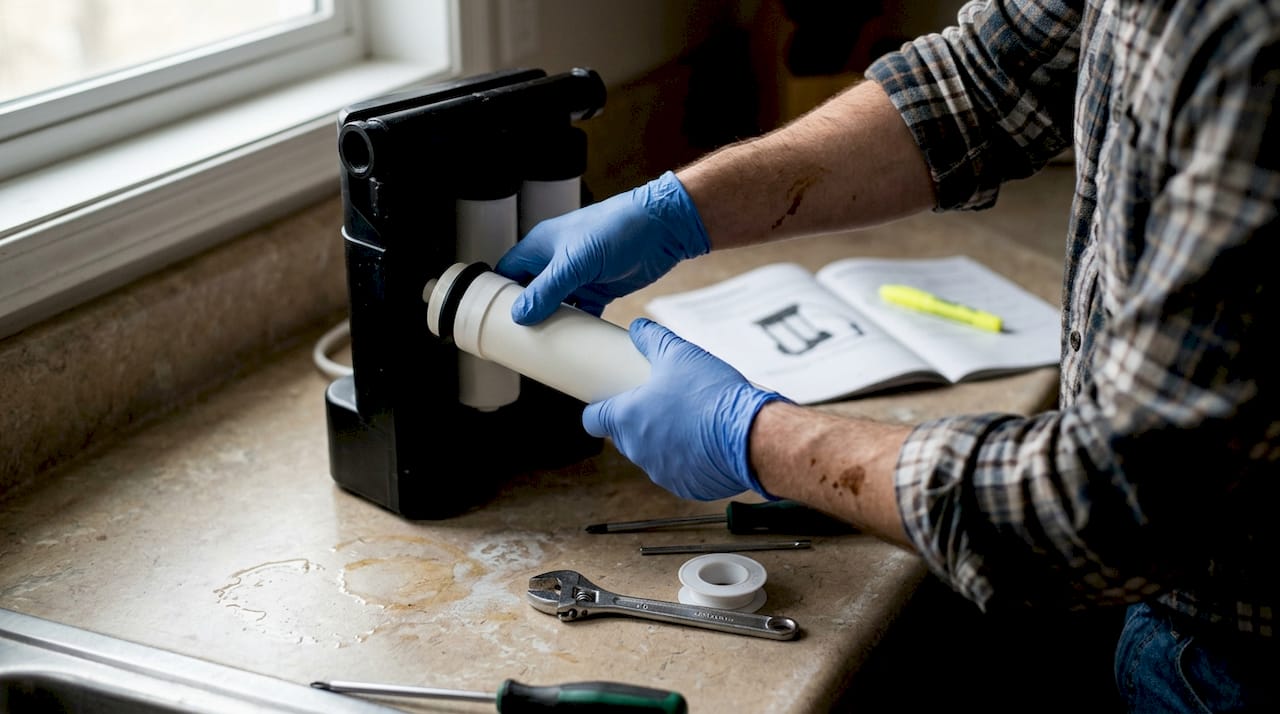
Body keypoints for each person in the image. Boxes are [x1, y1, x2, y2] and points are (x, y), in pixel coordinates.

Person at [495, 1, 1278, 711]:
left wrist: (755, 436)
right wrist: (681, 207)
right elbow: (989, 75)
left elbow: (1116, 505)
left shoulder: (1247, 35)